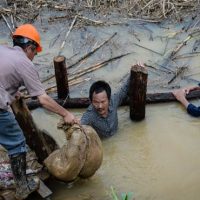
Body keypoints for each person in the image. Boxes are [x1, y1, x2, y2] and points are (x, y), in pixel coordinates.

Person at [0, 24, 78, 199]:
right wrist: (66, 114)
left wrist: (10, 92)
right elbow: (42, 99)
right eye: (35, 52)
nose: (34, 56)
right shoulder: (24, 62)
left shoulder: (3, 50)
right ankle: (22, 187)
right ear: (29, 48)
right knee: (17, 142)